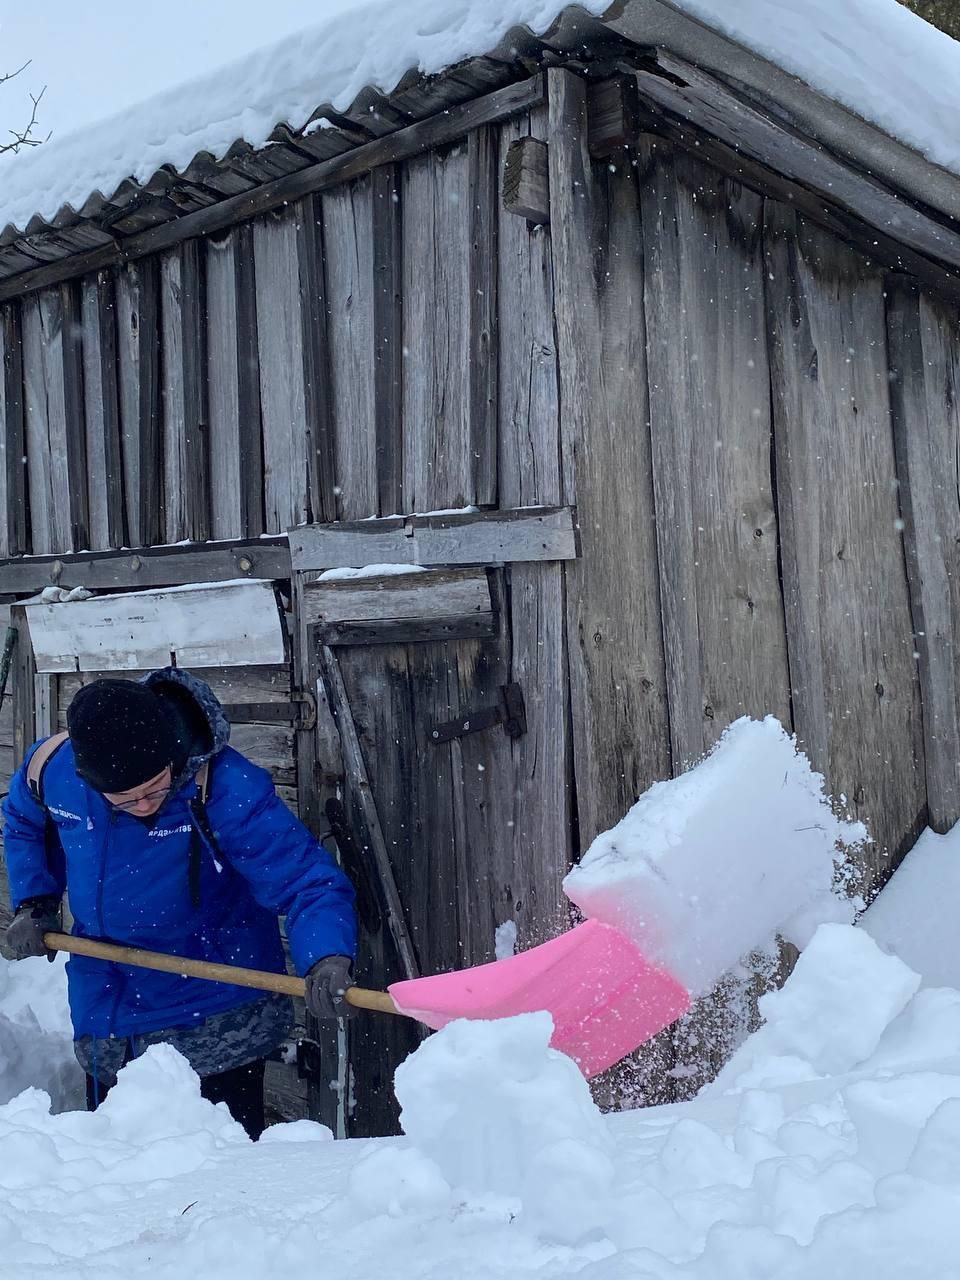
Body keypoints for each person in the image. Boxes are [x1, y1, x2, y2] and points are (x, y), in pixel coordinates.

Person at [1, 667, 357, 1139]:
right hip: (107, 1014)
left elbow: (308, 881)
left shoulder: (225, 789)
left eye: (155, 789)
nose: (145, 805)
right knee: (110, 1171)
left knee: (212, 1180)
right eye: (124, 800)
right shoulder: (52, 769)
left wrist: (327, 955)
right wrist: (35, 901)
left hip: (214, 1016)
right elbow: (25, 821)